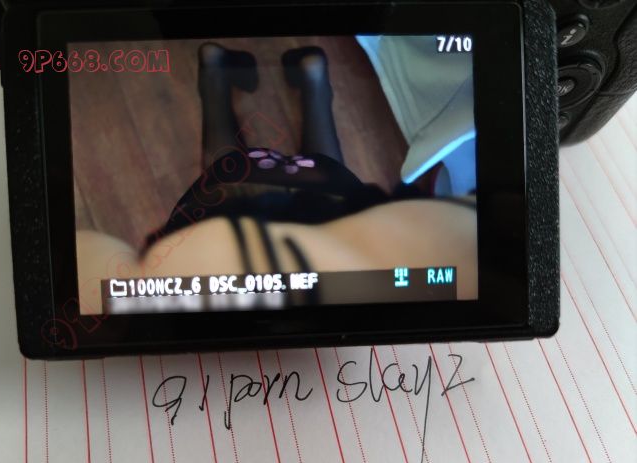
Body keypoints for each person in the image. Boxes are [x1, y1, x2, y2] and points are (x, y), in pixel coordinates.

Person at [76, 42, 478, 315]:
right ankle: (287, 77)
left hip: (309, 208)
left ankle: (285, 76)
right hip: (238, 208)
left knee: (315, 177)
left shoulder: (476, 253)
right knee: (243, 170)